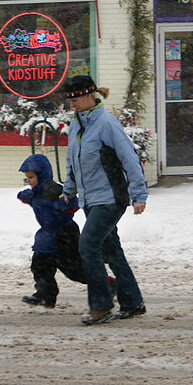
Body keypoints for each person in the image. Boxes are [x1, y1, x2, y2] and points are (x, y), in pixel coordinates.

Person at [61, 75, 149, 326]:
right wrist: (69, 189)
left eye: (76, 99)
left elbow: (129, 158)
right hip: (91, 199)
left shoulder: (106, 123)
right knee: (112, 251)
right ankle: (132, 302)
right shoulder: (77, 124)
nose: (72, 104)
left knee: (88, 247)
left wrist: (139, 194)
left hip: (110, 198)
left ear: (90, 95)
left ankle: (101, 306)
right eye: (69, 100)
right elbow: (73, 160)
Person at [17, 154, 115, 308]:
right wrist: (25, 196)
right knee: (40, 266)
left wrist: (63, 206)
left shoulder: (54, 190)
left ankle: (108, 283)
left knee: (75, 270)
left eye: (31, 177)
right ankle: (45, 295)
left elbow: (73, 202)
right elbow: (32, 198)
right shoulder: (36, 192)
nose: (28, 181)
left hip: (64, 234)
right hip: (47, 236)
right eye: (27, 177)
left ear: (41, 175)